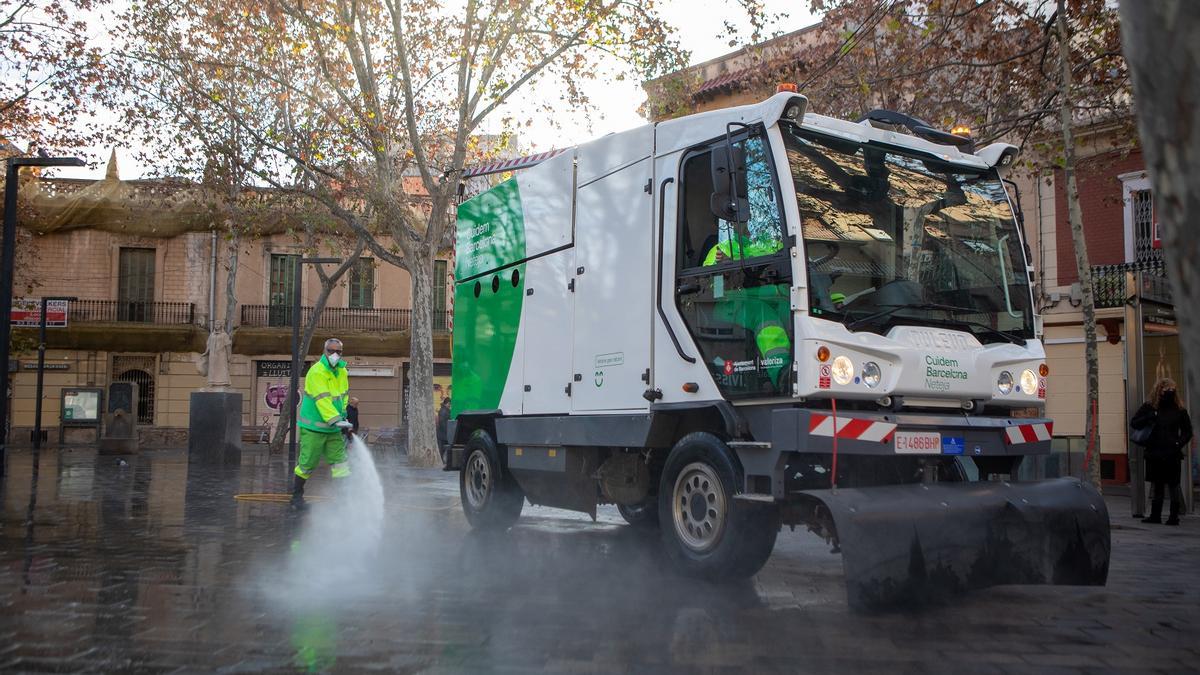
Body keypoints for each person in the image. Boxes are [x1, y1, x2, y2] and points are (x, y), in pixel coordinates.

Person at [291, 338, 353, 510]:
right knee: (307, 464)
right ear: (324, 351)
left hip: (333, 428)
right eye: (331, 351)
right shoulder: (316, 372)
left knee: (340, 463)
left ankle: (342, 499)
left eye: (338, 352)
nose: (334, 355)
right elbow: (322, 399)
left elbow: (343, 396)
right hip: (314, 428)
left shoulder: (342, 372)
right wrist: (336, 420)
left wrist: (344, 417)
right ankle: (296, 497)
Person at [1130, 377, 1193, 525]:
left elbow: (1188, 431)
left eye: (1172, 389)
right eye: (1167, 390)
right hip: (1155, 452)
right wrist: (1150, 416)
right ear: (1159, 390)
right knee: (1158, 484)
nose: (1170, 392)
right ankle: (1155, 515)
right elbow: (1135, 422)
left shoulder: (1179, 409)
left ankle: (1173, 516)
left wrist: (1178, 443)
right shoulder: (1150, 407)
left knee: (1173, 484)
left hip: (1171, 452)